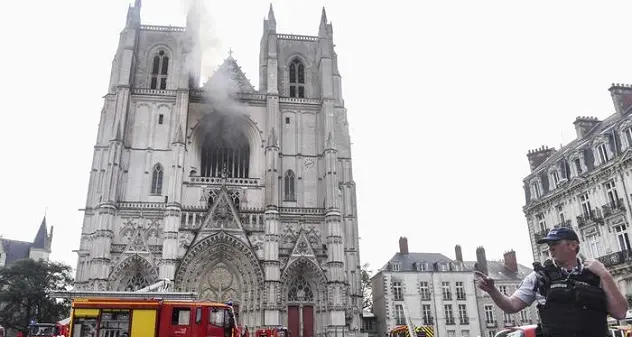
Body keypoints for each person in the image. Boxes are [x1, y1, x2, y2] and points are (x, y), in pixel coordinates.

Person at [475, 227, 628, 337]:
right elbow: (511, 305)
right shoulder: (539, 277)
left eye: (555, 243)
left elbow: (620, 313)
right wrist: (492, 291)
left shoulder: (595, 274)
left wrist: (605, 274)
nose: (550, 248)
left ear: (572, 245)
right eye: (549, 245)